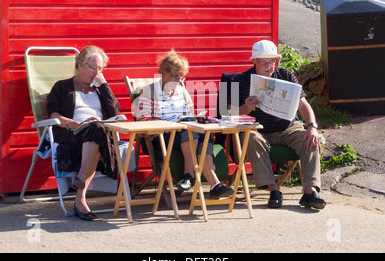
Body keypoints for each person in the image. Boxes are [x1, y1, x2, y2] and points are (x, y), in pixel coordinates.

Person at [230, 40, 326, 210]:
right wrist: (245, 108)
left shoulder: (286, 75)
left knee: (309, 138)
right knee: (251, 138)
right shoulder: (239, 80)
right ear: (254, 61)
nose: (268, 66)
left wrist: (312, 126)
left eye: (272, 62)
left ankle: (310, 191)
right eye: (263, 62)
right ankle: (274, 190)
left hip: (288, 128)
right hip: (258, 130)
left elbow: (303, 105)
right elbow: (226, 112)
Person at [134, 49, 234, 199]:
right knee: (191, 130)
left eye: (181, 76)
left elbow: (190, 115)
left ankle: (207, 183)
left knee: (201, 132)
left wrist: (194, 120)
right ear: (164, 73)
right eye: (175, 75)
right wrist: (173, 125)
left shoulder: (182, 91)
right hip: (161, 137)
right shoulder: (148, 92)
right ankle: (196, 177)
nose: (179, 79)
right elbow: (143, 123)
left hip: (184, 134)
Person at [47, 46, 121, 221]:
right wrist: (79, 124)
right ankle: (80, 198)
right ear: (80, 63)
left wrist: (103, 86)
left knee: (97, 128)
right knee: (95, 128)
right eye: (92, 67)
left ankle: (80, 191)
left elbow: (115, 114)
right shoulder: (62, 87)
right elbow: (54, 115)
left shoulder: (99, 89)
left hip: (99, 134)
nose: (96, 73)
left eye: (100, 69)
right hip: (72, 134)